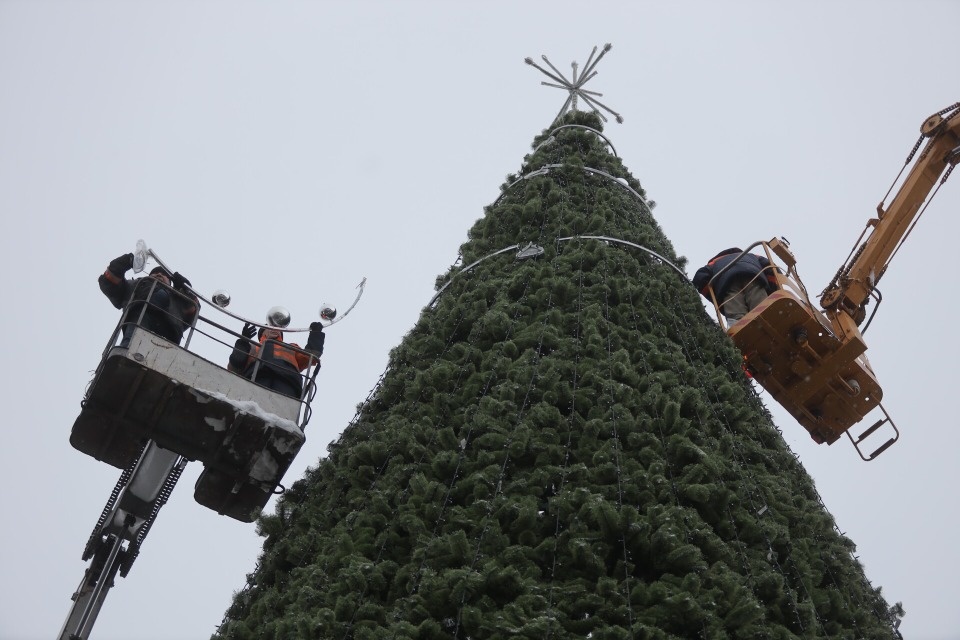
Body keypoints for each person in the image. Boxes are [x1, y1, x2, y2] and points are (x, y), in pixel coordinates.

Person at [99, 252, 199, 345]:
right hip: (139, 321)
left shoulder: (178, 298)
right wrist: (126, 261)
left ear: (170, 282)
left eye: (164, 275)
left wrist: (186, 290)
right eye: (155, 273)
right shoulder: (134, 286)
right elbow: (110, 282)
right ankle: (127, 348)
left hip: (169, 333)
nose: (159, 274)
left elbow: (193, 310)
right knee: (135, 333)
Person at [228, 321, 325, 399]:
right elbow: (236, 364)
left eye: (278, 329)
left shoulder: (292, 347)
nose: (274, 329)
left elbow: (311, 356)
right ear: (262, 332)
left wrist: (315, 335)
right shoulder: (251, 346)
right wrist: (243, 341)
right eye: (269, 327)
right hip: (256, 378)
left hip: (288, 383)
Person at [693, 247, 778, 322]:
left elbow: (699, 278)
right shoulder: (751, 255)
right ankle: (769, 320)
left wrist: (716, 297)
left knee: (737, 318)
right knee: (761, 306)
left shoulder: (713, 263)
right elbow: (772, 268)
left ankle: (742, 331)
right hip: (753, 278)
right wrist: (771, 291)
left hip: (727, 284)